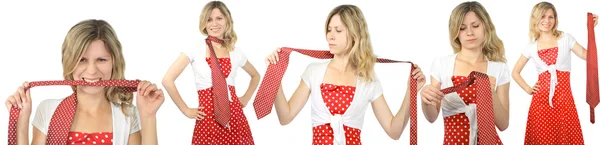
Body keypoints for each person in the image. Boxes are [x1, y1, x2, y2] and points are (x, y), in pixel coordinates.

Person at [264, 4, 426, 145]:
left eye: (338, 30)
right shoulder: (314, 71)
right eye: (329, 30)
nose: (330, 36)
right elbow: (285, 117)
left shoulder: (368, 80)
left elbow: (393, 131)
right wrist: (274, 76)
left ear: (355, 34)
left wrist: (411, 92)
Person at [5, 19, 164, 145]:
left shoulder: (127, 115)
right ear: (69, 62)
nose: (92, 71)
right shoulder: (48, 110)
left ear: (114, 62)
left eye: (101, 59)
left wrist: (148, 116)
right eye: (82, 60)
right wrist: (21, 121)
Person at [161, 1, 261, 144]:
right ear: (204, 23)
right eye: (209, 19)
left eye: (219, 18)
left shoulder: (236, 52)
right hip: (207, 119)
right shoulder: (195, 49)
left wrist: (245, 98)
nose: (214, 24)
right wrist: (186, 110)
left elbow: (255, 75)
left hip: (235, 119)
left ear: (227, 19)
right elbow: (167, 80)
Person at [419, 1, 510, 144]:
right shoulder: (441, 64)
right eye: (462, 28)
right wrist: (425, 100)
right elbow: (432, 117)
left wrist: (490, 93)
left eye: (475, 26)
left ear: (486, 26)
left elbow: (503, 124)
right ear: (455, 32)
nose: (469, 33)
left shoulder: (499, 68)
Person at [511, 1, 598, 144]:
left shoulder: (565, 39)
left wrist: (591, 31)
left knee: (567, 138)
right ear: (535, 19)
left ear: (555, 19)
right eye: (543, 16)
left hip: (564, 101)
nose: (547, 21)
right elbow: (515, 72)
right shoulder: (531, 47)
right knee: (543, 139)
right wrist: (528, 89)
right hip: (540, 103)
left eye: (551, 17)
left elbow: (588, 56)